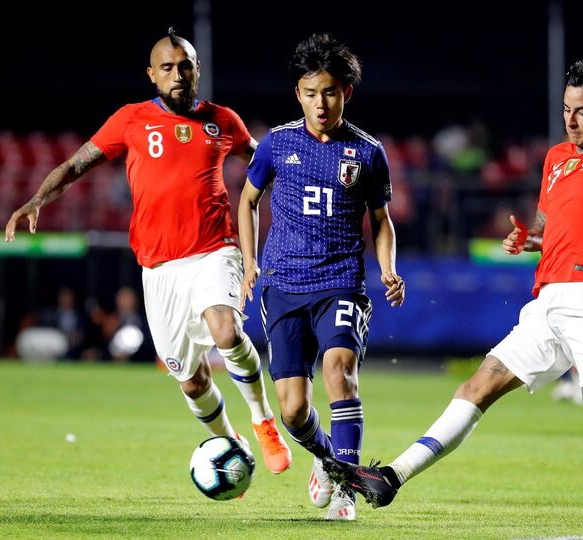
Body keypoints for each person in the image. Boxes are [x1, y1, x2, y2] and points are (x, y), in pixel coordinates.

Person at [323, 60, 583, 529]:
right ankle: (392, 476)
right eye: (567, 109)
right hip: (545, 302)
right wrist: (530, 238)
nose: (572, 120)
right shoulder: (556, 158)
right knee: (477, 386)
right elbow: (547, 223)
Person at [4, 29, 291, 475]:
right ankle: (227, 442)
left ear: (196, 70)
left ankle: (262, 420)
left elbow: (264, 167)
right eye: (168, 67)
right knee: (190, 378)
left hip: (214, 249)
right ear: (152, 75)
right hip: (158, 268)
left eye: (186, 65)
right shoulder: (131, 120)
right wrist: (37, 199)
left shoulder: (223, 120)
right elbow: (77, 164)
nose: (178, 74)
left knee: (226, 331)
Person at [238, 33, 404, 521]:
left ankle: (348, 492)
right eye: (310, 93)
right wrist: (250, 262)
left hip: (341, 282)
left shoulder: (368, 152)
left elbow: (381, 221)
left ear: (345, 92)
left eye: (329, 92)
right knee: (292, 409)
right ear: (298, 94)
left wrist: (388, 269)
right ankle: (329, 461)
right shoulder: (277, 143)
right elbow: (247, 201)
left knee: (340, 372)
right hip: (284, 284)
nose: (320, 103)